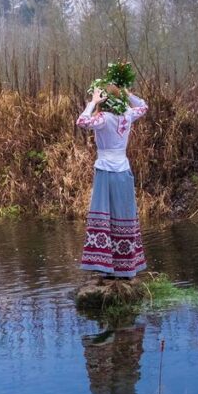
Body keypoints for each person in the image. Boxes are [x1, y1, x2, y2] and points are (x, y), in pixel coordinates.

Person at [75, 85, 148, 278]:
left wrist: (92, 102)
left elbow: (81, 121)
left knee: (104, 214)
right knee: (123, 215)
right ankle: (126, 266)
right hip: (123, 170)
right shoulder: (128, 114)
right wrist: (128, 94)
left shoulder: (103, 118)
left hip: (106, 170)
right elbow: (144, 107)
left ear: (104, 100)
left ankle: (105, 265)